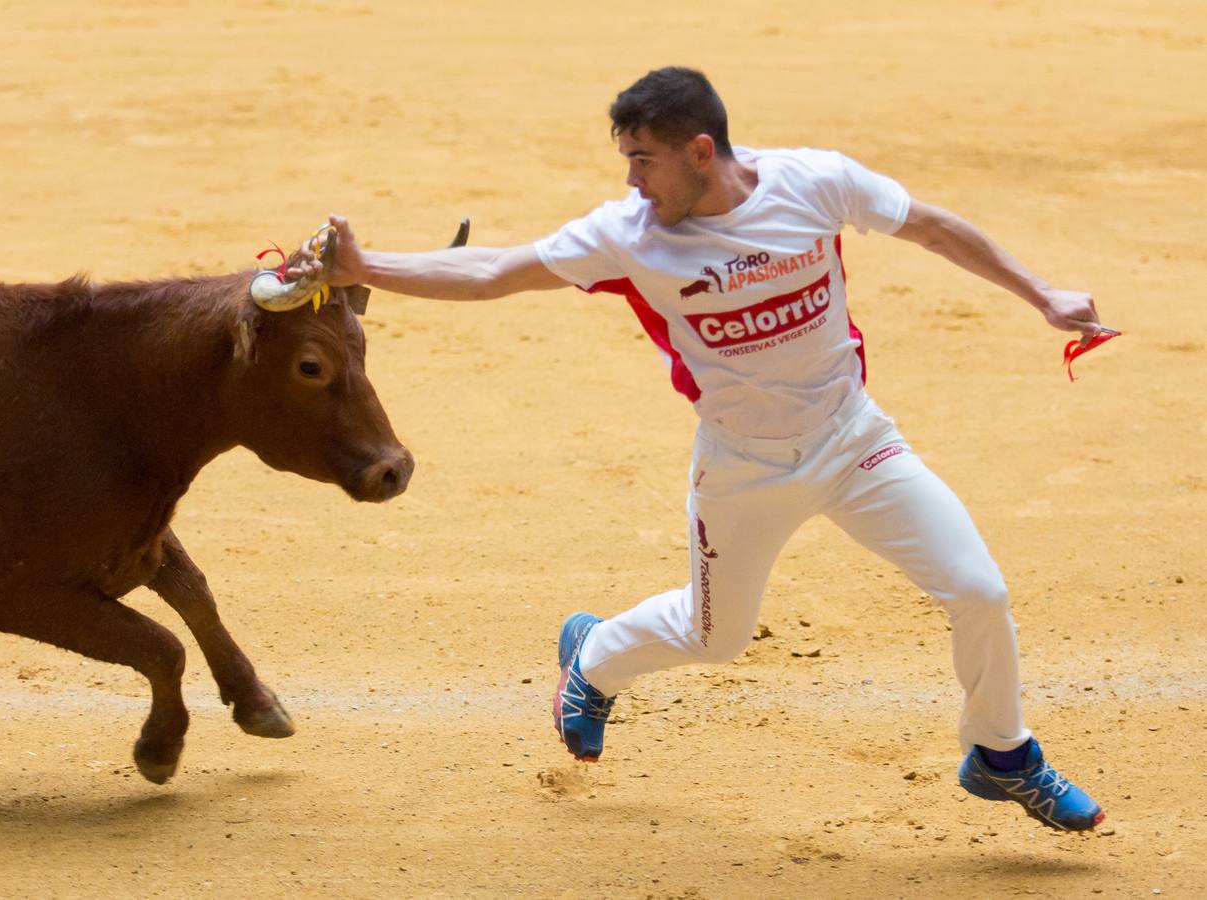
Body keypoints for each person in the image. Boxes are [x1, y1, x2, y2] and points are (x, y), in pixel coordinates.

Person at [290, 66, 1105, 832]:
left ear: (701, 151)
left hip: (856, 443)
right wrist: (368, 267)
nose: (631, 181)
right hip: (742, 470)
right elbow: (497, 270)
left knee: (979, 589)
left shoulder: (812, 182)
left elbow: (929, 226)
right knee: (717, 637)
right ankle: (595, 660)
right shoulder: (629, 235)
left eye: (643, 160)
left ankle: (1002, 752)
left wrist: (1043, 296)